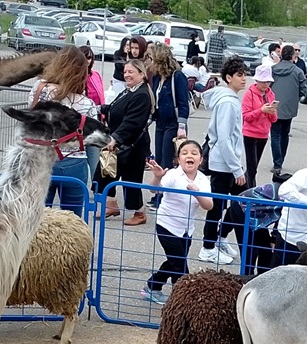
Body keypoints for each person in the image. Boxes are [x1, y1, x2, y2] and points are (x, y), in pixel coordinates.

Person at [27, 46, 100, 216]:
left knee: (39, 216)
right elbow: (91, 140)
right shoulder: (87, 103)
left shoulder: (40, 89)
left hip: (43, 160)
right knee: (73, 218)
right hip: (75, 163)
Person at [140, 140, 213, 305]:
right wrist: (157, 177)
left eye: (194, 153)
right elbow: (154, 190)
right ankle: (183, 301)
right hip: (167, 225)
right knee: (180, 265)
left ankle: (152, 287)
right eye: (185, 153)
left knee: (174, 261)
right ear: (178, 159)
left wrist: (197, 193)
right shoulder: (173, 175)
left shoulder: (203, 180)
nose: (189, 155)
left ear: (200, 160)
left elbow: (209, 205)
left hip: (187, 230)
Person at [198, 57, 249, 265]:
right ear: (228, 78)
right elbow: (225, 138)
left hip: (229, 162)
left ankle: (220, 237)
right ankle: (208, 247)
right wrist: (237, 170)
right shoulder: (227, 102)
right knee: (218, 206)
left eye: (245, 74)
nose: (244, 78)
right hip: (224, 163)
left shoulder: (230, 99)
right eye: (239, 75)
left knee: (240, 201)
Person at [97, 59, 154, 225]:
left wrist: (115, 138)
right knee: (107, 172)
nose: (127, 75)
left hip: (133, 145)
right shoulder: (130, 90)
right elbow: (117, 108)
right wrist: (102, 108)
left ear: (142, 75)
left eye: (131, 72)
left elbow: (132, 122)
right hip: (121, 142)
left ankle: (140, 213)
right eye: (125, 72)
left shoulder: (142, 95)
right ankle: (111, 204)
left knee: (132, 179)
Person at [220, 168, 296, 275]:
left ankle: (262, 278)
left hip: (255, 214)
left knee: (265, 249)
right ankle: (246, 280)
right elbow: (283, 218)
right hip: (242, 211)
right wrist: (274, 239)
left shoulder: (283, 188)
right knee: (250, 251)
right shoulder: (288, 195)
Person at [146, 42, 191, 210]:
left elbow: (183, 102)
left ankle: (165, 195)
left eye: (151, 58)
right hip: (161, 122)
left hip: (173, 123)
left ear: (159, 59)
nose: (149, 62)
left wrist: (182, 125)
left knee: (167, 159)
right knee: (159, 159)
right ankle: (160, 192)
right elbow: (156, 103)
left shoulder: (177, 76)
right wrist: (149, 120)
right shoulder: (157, 77)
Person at [269, 45, 307, 174]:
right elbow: (304, 89)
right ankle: (280, 160)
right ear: (292, 56)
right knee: (284, 134)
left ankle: (277, 162)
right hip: (289, 107)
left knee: (275, 135)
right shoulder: (298, 72)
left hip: (274, 106)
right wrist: (295, 97)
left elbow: (267, 87)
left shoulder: (273, 70)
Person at [241, 64, 278, 187]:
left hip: (263, 134)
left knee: (254, 166)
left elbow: (274, 119)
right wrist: (261, 110)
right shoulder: (249, 94)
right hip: (250, 134)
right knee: (252, 168)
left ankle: (245, 188)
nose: (265, 85)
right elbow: (246, 116)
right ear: (257, 80)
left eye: (268, 81)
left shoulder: (270, 94)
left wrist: (271, 111)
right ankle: (250, 192)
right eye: (263, 81)